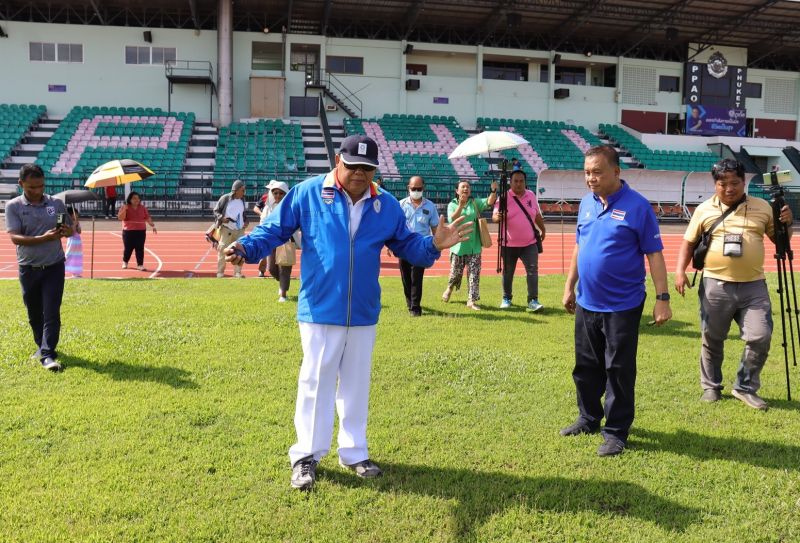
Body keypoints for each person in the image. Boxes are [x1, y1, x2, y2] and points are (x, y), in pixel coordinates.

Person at [224, 135, 471, 491]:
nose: (359, 174)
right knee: (316, 383)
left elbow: (407, 246)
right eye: (353, 165)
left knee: (356, 385)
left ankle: (354, 452)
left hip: (363, 310)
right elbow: (274, 229)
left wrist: (433, 244)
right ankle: (306, 456)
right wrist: (246, 247)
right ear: (338, 160)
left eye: (367, 168)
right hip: (321, 307)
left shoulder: (385, 204)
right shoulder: (308, 193)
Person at [561, 145, 671, 457]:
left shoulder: (638, 207)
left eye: (597, 172)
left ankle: (616, 431)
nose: (590, 178)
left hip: (623, 304)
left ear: (616, 172)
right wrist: (570, 286)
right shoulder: (586, 203)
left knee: (618, 369)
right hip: (587, 302)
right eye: (586, 172)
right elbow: (579, 248)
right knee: (585, 366)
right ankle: (588, 417)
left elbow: (654, 254)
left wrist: (662, 298)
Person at [674, 158, 793, 410]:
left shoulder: (762, 207)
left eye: (735, 182)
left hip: (753, 286)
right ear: (715, 184)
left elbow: (780, 241)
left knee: (761, 336)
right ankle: (711, 387)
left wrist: (786, 224)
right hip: (715, 284)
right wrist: (679, 272)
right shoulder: (704, 209)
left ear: (744, 182)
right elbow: (688, 242)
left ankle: (745, 387)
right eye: (723, 183)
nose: (729, 188)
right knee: (712, 337)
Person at [5, 164, 73, 371]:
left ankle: (47, 354)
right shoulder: (14, 206)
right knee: (34, 313)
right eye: (32, 187)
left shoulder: (56, 203)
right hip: (28, 268)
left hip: (54, 266)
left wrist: (66, 230)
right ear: (21, 184)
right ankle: (41, 346)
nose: (37, 191)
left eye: (41, 186)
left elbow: (68, 230)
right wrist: (42, 238)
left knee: (51, 311)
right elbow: (15, 237)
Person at [492, 169, 545, 311]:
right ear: (510, 182)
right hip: (508, 244)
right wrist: (499, 217)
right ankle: (506, 298)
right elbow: (494, 217)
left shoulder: (531, 195)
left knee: (533, 271)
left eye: (521, 181)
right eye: (515, 181)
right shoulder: (503, 197)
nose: (519, 184)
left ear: (525, 182)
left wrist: (543, 229)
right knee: (508, 272)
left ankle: (533, 300)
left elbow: (537, 215)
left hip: (529, 243)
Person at [442, 178, 498, 310]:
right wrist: (461, 205)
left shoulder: (474, 203)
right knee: (455, 273)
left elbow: (489, 202)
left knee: (474, 274)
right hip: (458, 246)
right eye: (462, 187)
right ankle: (449, 288)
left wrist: (493, 190)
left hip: (475, 246)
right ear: (457, 190)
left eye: (467, 187)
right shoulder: (452, 204)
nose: (465, 189)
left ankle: (471, 300)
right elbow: (452, 219)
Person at [395, 175, 439, 316]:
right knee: (406, 277)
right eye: (413, 188)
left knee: (417, 278)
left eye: (419, 188)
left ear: (423, 188)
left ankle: (415, 307)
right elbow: (394, 227)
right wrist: (392, 246)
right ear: (408, 188)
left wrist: (437, 245)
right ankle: (410, 302)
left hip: (421, 247)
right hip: (403, 246)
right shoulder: (400, 205)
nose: (416, 191)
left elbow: (435, 228)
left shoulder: (430, 207)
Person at [260, 181, 295, 302]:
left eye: (281, 193)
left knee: (284, 267)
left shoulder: (291, 207)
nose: (278, 195)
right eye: (275, 193)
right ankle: (282, 283)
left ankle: (283, 294)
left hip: (285, 240)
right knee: (271, 269)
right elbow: (262, 224)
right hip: (271, 241)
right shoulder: (267, 208)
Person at [213, 179, 248, 278]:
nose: (244, 192)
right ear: (236, 190)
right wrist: (221, 218)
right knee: (223, 250)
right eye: (242, 190)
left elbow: (242, 214)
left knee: (240, 252)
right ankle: (220, 272)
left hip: (240, 230)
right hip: (227, 229)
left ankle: (237, 273)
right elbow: (215, 211)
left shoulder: (242, 199)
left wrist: (246, 221)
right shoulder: (225, 198)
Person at [118, 191, 157, 271]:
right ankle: (125, 261)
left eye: (138, 198)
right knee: (128, 248)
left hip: (141, 231)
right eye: (134, 198)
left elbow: (147, 217)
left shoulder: (142, 208)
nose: (137, 200)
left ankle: (140, 264)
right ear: (130, 199)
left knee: (140, 248)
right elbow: (120, 218)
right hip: (128, 231)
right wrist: (124, 210)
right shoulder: (125, 207)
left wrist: (152, 224)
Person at [64, 206, 83, 278]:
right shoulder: (69, 222)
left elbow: (79, 231)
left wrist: (77, 224)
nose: (77, 215)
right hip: (72, 241)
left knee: (77, 256)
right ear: (70, 215)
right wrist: (74, 224)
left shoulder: (77, 221)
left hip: (78, 242)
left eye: (77, 214)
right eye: (75, 214)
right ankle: (62, 270)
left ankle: (76, 273)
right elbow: (71, 232)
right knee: (68, 255)